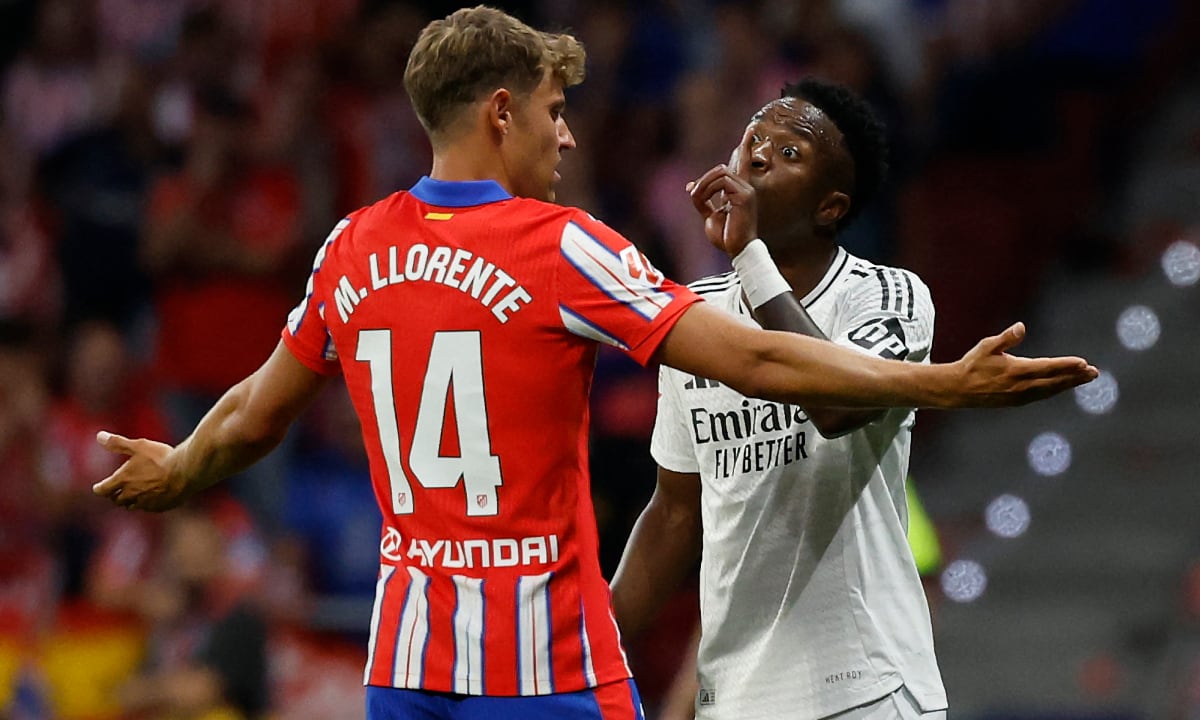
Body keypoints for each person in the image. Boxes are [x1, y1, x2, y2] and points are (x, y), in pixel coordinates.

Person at [92, 7, 1096, 720]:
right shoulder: (563, 245)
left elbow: (251, 417)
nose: (567, 133)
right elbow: (759, 360)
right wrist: (943, 384)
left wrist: (178, 466)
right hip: (543, 667)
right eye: (552, 109)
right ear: (499, 113)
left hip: (404, 665)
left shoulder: (352, 247)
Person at [610, 79, 959, 719]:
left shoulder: (888, 297)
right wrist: (587, 651)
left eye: (790, 151)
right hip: (735, 697)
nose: (759, 156)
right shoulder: (697, 317)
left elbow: (834, 402)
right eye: (754, 140)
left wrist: (749, 256)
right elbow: (673, 514)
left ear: (830, 207)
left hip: (867, 686)